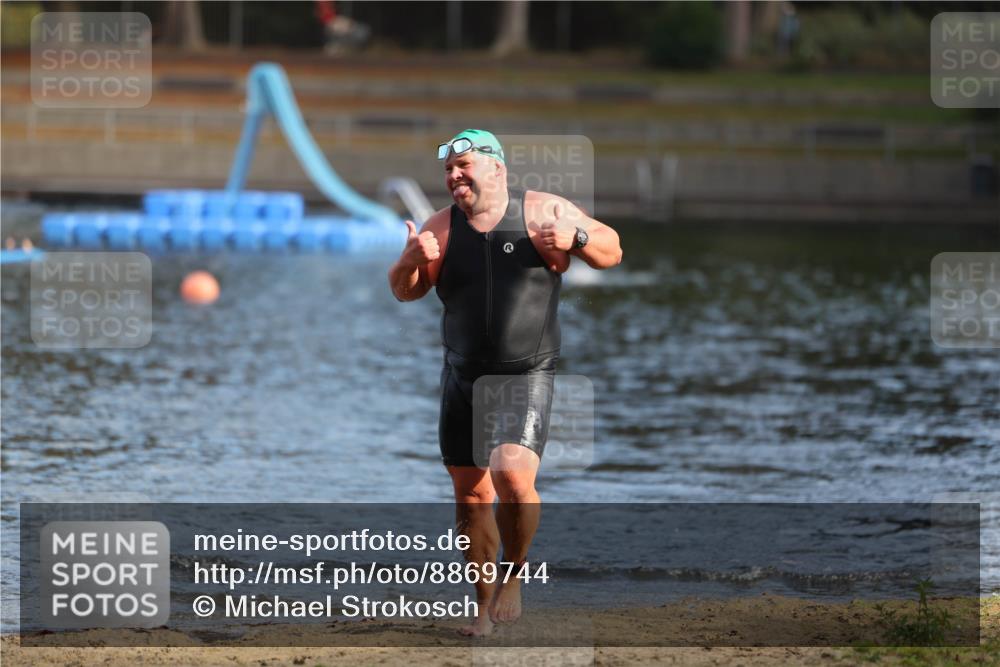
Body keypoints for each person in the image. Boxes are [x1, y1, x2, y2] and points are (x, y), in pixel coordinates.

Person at [388, 129, 622, 636]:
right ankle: (482, 604)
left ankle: (514, 576)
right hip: (462, 376)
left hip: (526, 373)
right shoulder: (441, 229)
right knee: (471, 498)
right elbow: (405, 292)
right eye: (449, 171)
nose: (454, 178)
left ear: (498, 170)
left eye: (464, 166)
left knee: (513, 476)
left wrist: (576, 239)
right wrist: (407, 262)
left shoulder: (543, 212)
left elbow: (612, 249)